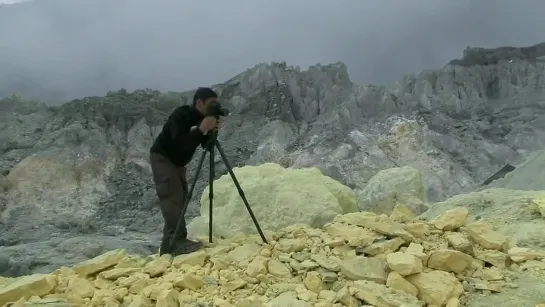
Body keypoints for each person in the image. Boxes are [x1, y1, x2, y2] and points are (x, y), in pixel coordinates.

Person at [149, 87, 220, 255]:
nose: (213, 107)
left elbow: (205, 147)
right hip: (163, 158)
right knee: (172, 198)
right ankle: (177, 243)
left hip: (178, 164)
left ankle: (168, 246)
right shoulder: (181, 115)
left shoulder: (202, 119)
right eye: (210, 104)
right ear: (199, 103)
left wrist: (211, 132)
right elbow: (178, 143)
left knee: (179, 199)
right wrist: (201, 129)